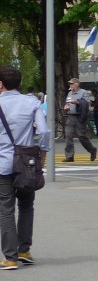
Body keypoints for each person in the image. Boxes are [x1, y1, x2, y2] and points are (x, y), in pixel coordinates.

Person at [1, 65, 50, 269]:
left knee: (5, 210)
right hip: (27, 163)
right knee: (27, 205)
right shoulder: (32, 102)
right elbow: (45, 131)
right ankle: (24, 250)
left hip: (2, 163)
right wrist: (43, 155)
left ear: (1, 84)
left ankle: (10, 258)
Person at [62, 77, 97, 162]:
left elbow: (87, 103)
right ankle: (69, 156)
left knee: (81, 136)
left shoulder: (83, 92)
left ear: (77, 84)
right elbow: (67, 103)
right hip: (70, 116)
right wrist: (66, 107)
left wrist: (77, 102)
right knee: (68, 135)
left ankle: (92, 150)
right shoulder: (70, 93)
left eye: (72, 83)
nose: (70, 85)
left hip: (79, 117)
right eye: (70, 84)